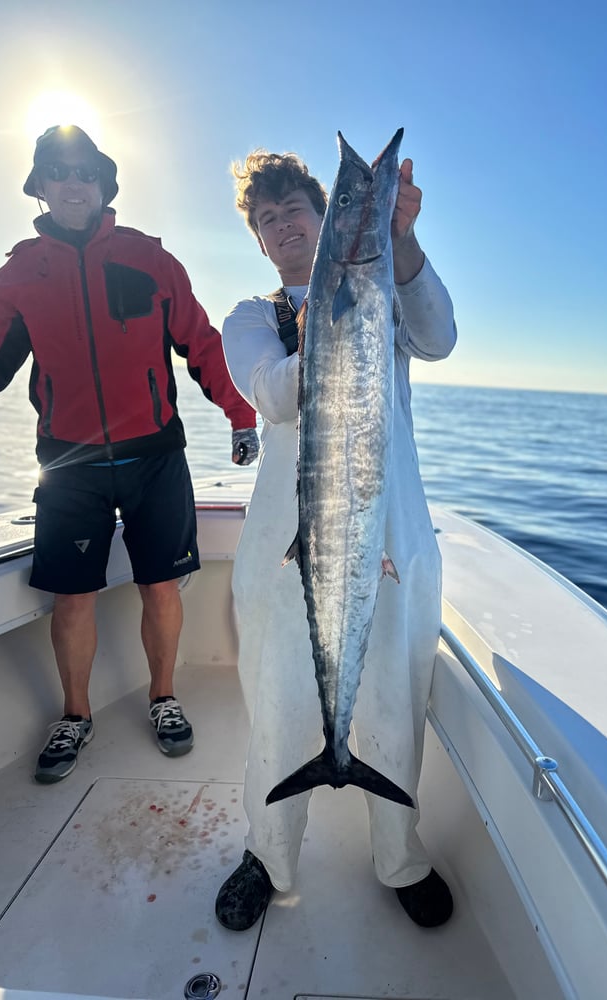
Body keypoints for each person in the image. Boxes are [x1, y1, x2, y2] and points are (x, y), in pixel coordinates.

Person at [216, 143, 457, 930]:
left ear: (327, 223)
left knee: (394, 700)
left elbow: (440, 336)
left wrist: (402, 242)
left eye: (297, 210)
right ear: (258, 239)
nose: (283, 224)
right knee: (279, 709)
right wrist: (333, 313)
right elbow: (274, 395)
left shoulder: (385, 290)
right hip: (283, 549)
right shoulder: (254, 317)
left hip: (394, 536)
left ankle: (400, 858)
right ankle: (268, 855)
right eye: (267, 217)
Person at [0, 124, 259, 784]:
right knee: (71, 599)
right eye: (58, 171)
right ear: (41, 187)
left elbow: (202, 344)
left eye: (86, 172)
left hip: (154, 458)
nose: (73, 182)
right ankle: (76, 714)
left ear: (105, 184)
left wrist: (241, 416)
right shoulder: (17, 274)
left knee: (160, 586)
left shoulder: (149, 259)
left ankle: (164, 698)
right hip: (67, 466)